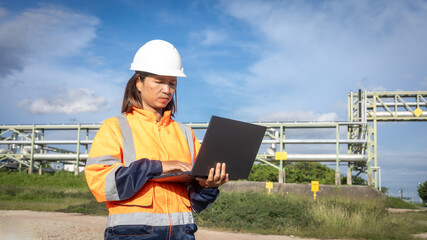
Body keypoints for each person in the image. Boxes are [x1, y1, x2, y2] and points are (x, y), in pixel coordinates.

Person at [85, 39, 229, 240]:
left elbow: (195, 200)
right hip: (132, 235)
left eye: (172, 83)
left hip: (182, 234)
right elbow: (102, 183)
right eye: (159, 81)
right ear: (139, 83)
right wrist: (158, 167)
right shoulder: (116, 127)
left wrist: (207, 185)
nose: (167, 90)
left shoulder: (185, 133)